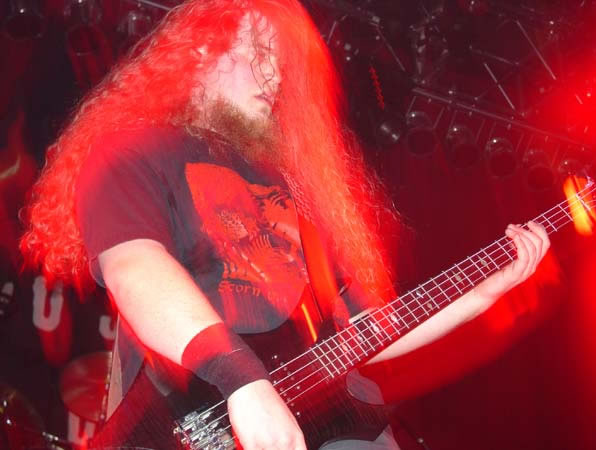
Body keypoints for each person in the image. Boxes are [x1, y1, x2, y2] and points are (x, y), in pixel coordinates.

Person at [20, 0, 550, 448]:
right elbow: (136, 267)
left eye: (280, 62)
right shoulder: (135, 148)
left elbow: (366, 331)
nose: (274, 75)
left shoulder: (299, 186)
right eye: (260, 52)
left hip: (336, 423)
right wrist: (243, 382)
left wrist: (484, 292)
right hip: (194, 410)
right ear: (202, 49)